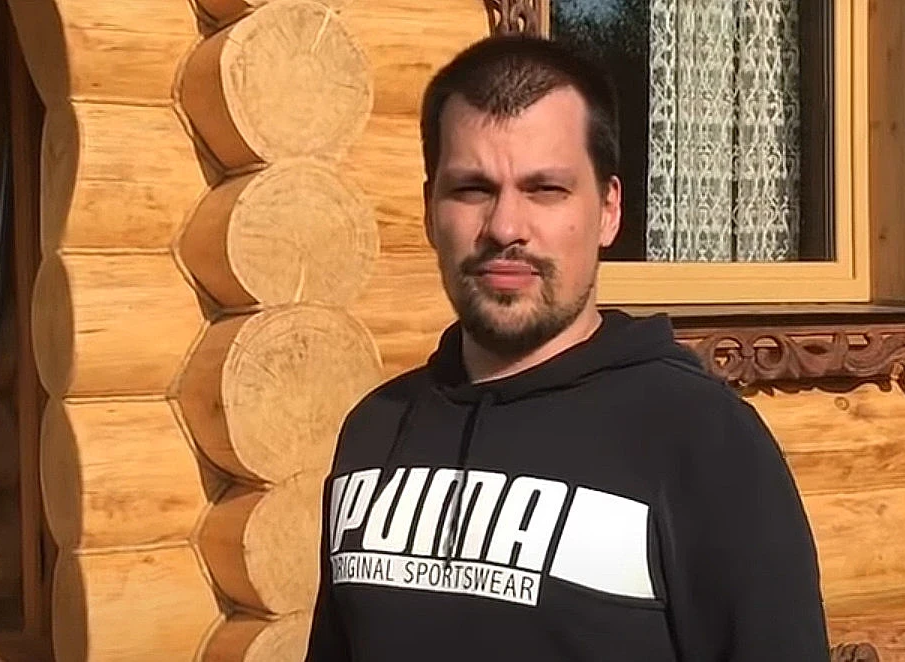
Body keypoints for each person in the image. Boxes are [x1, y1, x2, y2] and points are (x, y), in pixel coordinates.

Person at [305, 33, 830, 662]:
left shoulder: (702, 443)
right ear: (428, 210)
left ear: (609, 210)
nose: (505, 227)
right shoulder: (375, 432)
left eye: (545, 189)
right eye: (472, 189)